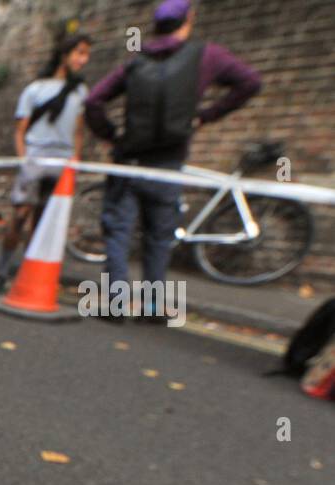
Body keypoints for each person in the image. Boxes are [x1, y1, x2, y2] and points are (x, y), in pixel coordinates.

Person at [84, 0, 260, 321]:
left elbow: (94, 101)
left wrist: (111, 135)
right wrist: (205, 116)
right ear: (188, 19)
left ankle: (114, 305)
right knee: (158, 236)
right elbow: (250, 82)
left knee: (119, 232)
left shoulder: (135, 63)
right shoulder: (207, 56)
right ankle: (153, 309)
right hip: (168, 163)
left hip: (128, 161)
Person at [0, 32, 92, 294]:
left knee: (42, 222)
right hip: (35, 158)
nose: (84, 59)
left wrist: (75, 160)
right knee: (20, 214)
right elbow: (20, 129)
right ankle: (2, 272)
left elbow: (79, 131)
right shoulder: (35, 90)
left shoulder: (81, 91)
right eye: (79, 52)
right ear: (64, 55)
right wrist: (24, 158)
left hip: (62, 163)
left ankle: (27, 275)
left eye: (86, 54)